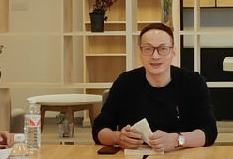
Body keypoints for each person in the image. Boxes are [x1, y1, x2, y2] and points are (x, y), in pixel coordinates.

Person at [92, 23, 217, 151]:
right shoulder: (125, 82)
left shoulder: (193, 82)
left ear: (173, 51)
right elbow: (99, 129)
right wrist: (118, 138)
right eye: (148, 49)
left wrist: (177, 140)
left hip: (181, 157)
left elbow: (209, 131)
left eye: (163, 49)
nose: (155, 56)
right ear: (140, 52)